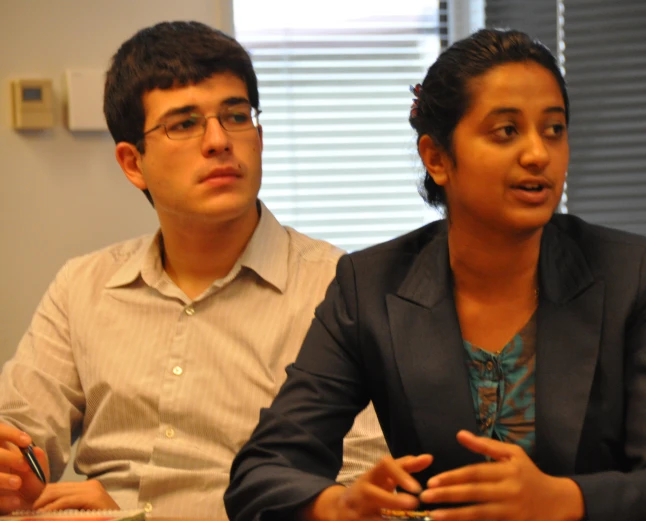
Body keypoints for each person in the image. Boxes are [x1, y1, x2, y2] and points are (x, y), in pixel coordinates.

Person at [225, 28, 646, 521]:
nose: (538, 154)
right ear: (437, 158)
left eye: (554, 129)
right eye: (507, 131)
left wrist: (563, 501)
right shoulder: (369, 285)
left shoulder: (635, 273)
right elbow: (263, 473)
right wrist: (341, 504)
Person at [0, 21, 387, 518]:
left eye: (236, 115)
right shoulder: (84, 285)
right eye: (183, 124)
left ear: (260, 137)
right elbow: (21, 428)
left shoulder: (341, 286)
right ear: (132, 163)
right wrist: (13, 468)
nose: (219, 141)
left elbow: (359, 491)